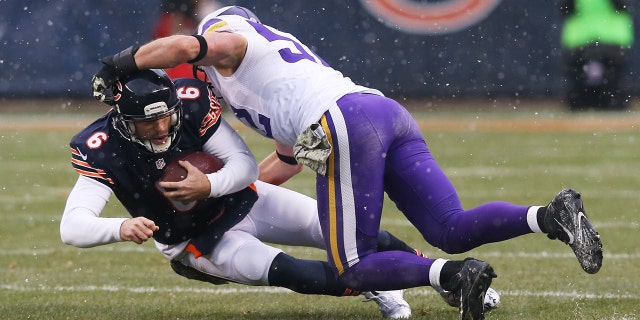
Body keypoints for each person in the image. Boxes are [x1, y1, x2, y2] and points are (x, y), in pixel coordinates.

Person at [90, 6, 603, 319]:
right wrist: (216, 194)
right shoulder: (266, 84)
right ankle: (550, 215)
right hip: (380, 112)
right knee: (450, 225)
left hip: (342, 121)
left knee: (352, 266)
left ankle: (454, 277)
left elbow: (185, 44)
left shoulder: (232, 44)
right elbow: (285, 162)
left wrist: (120, 63)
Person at [62, 69, 425, 319]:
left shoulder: (191, 106)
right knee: (298, 275)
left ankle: (444, 277)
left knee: (348, 231)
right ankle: (378, 284)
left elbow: (244, 165)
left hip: (244, 199)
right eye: (147, 122)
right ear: (124, 120)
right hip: (196, 240)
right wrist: (120, 227)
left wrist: (209, 185)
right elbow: (73, 227)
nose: (160, 128)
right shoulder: (103, 148)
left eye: (165, 117)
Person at [559, 0, 634, 111]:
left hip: (606, 40)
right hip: (586, 40)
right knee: (580, 94)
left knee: (613, 90)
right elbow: (566, 8)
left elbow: (623, 6)